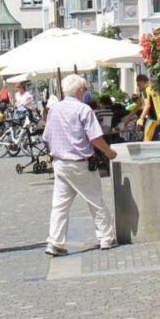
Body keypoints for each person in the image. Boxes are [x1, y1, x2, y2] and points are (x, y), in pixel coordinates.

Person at [42, 75, 117, 255]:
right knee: (95, 200)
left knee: (60, 205)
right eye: (84, 89)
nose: (85, 92)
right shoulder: (84, 109)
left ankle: (55, 242)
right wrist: (109, 152)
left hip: (60, 163)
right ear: (79, 90)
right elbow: (95, 137)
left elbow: (46, 137)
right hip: (80, 163)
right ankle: (106, 238)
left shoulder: (54, 109)